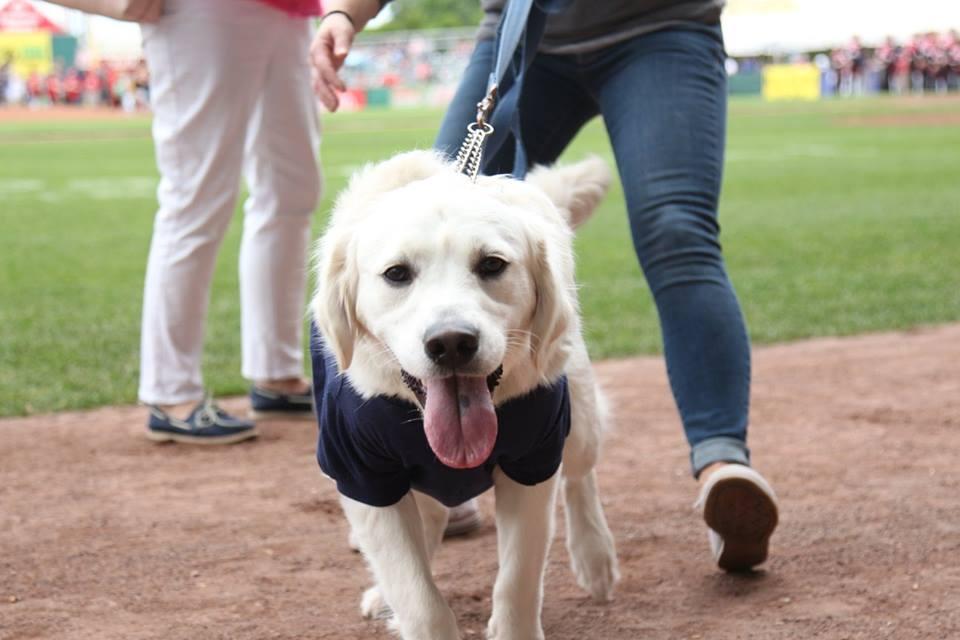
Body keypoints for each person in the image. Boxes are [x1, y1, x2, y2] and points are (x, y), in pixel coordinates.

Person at [310, 0, 780, 570]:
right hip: (518, 33)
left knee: (677, 229)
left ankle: (721, 463)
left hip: (660, 27)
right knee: (438, 227)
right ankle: (436, 475)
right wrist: (346, 14)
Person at [138, 0, 323, 444]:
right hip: (202, 8)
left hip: (291, 10)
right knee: (196, 195)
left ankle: (276, 374)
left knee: (292, 191)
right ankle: (170, 391)